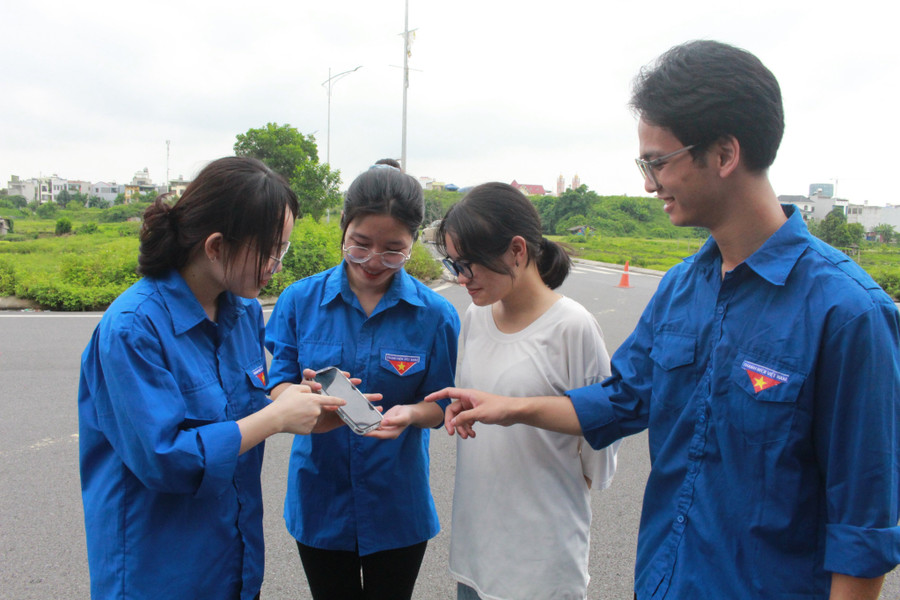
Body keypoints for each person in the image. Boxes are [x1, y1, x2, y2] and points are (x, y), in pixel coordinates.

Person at [427, 40, 900, 600]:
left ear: (724, 155)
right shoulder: (680, 289)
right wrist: (513, 408)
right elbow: (625, 399)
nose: (649, 183)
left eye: (657, 162)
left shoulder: (848, 314)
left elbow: (862, 530)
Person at [78, 156, 345, 600]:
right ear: (216, 246)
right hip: (161, 573)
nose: (276, 264)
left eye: (284, 248)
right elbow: (164, 458)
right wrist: (276, 417)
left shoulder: (241, 312)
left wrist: (305, 406)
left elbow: (239, 410)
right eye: (270, 249)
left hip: (232, 563)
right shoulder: (133, 329)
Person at [264, 163, 460, 600]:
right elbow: (277, 385)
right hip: (320, 498)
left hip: (397, 503)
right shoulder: (300, 301)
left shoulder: (435, 315)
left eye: (393, 250)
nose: (373, 261)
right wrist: (304, 398)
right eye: (360, 245)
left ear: (414, 243)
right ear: (343, 229)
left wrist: (409, 413)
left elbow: (443, 403)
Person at [435, 182, 620, 600]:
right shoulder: (475, 317)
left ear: (517, 250)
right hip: (477, 549)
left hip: (542, 560)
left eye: (469, 265)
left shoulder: (572, 327)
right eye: (452, 264)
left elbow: (600, 444)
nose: (460, 278)